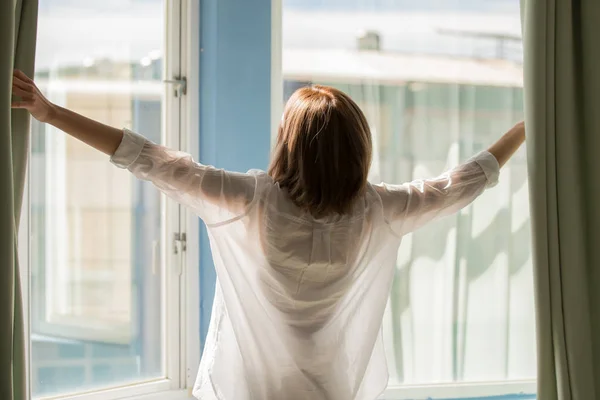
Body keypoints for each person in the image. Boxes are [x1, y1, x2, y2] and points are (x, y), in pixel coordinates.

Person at [11, 69, 525, 400]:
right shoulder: (379, 210)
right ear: (357, 148)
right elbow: (460, 183)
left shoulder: (249, 201)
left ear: (289, 144)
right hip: (331, 390)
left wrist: (49, 111)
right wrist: (527, 126)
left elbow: (146, 157)